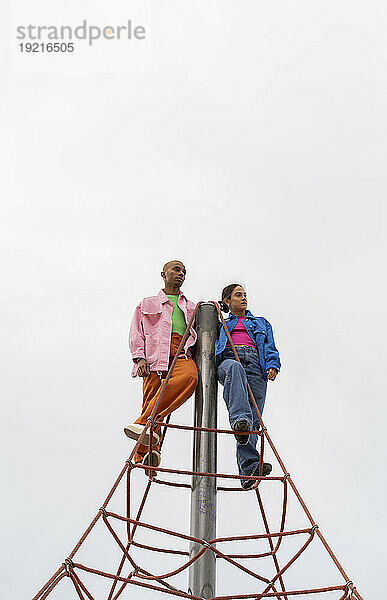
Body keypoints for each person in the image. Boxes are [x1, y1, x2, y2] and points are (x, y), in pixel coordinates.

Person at [124, 260, 198, 468]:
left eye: (184, 271)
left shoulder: (191, 307)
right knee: (153, 398)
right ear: (163, 274)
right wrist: (139, 359)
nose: (180, 274)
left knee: (189, 378)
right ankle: (147, 456)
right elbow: (136, 332)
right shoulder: (147, 304)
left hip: (180, 350)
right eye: (176, 269)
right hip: (154, 355)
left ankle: (141, 424)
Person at [215, 284, 281, 489]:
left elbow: (269, 345)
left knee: (254, 416)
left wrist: (272, 364)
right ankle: (239, 421)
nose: (243, 298)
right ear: (227, 301)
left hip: (254, 363)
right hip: (230, 359)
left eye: (245, 295)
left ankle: (248, 469)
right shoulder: (221, 324)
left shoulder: (261, 323)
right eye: (238, 295)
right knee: (234, 370)